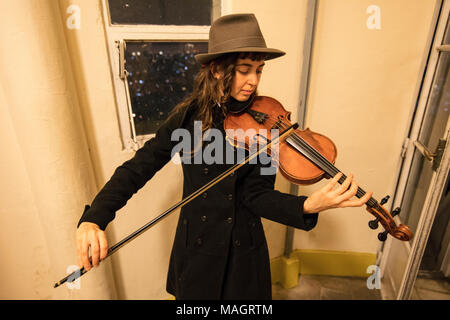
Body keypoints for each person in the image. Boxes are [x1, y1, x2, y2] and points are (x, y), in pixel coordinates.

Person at [76, 13, 372, 300]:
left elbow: (256, 195)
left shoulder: (265, 119)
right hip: (198, 249)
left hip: (244, 252)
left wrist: (307, 205)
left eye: (259, 70)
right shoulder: (187, 118)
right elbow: (138, 168)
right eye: (245, 70)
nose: (254, 80)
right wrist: (94, 218)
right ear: (217, 69)